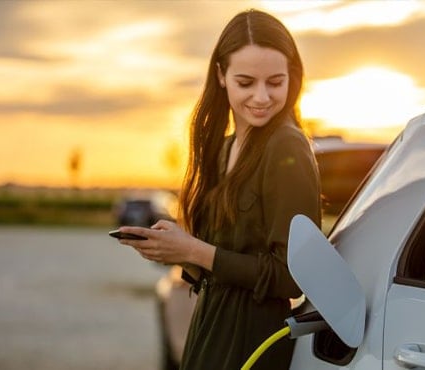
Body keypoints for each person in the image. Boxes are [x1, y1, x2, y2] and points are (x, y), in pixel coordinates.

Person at [117, 9, 321, 370]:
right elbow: (222, 259)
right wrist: (175, 250)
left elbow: (291, 278)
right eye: (246, 82)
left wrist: (195, 250)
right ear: (221, 76)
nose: (261, 97)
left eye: (275, 82)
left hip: (253, 341)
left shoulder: (286, 147)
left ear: (293, 77)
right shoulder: (224, 148)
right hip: (209, 326)